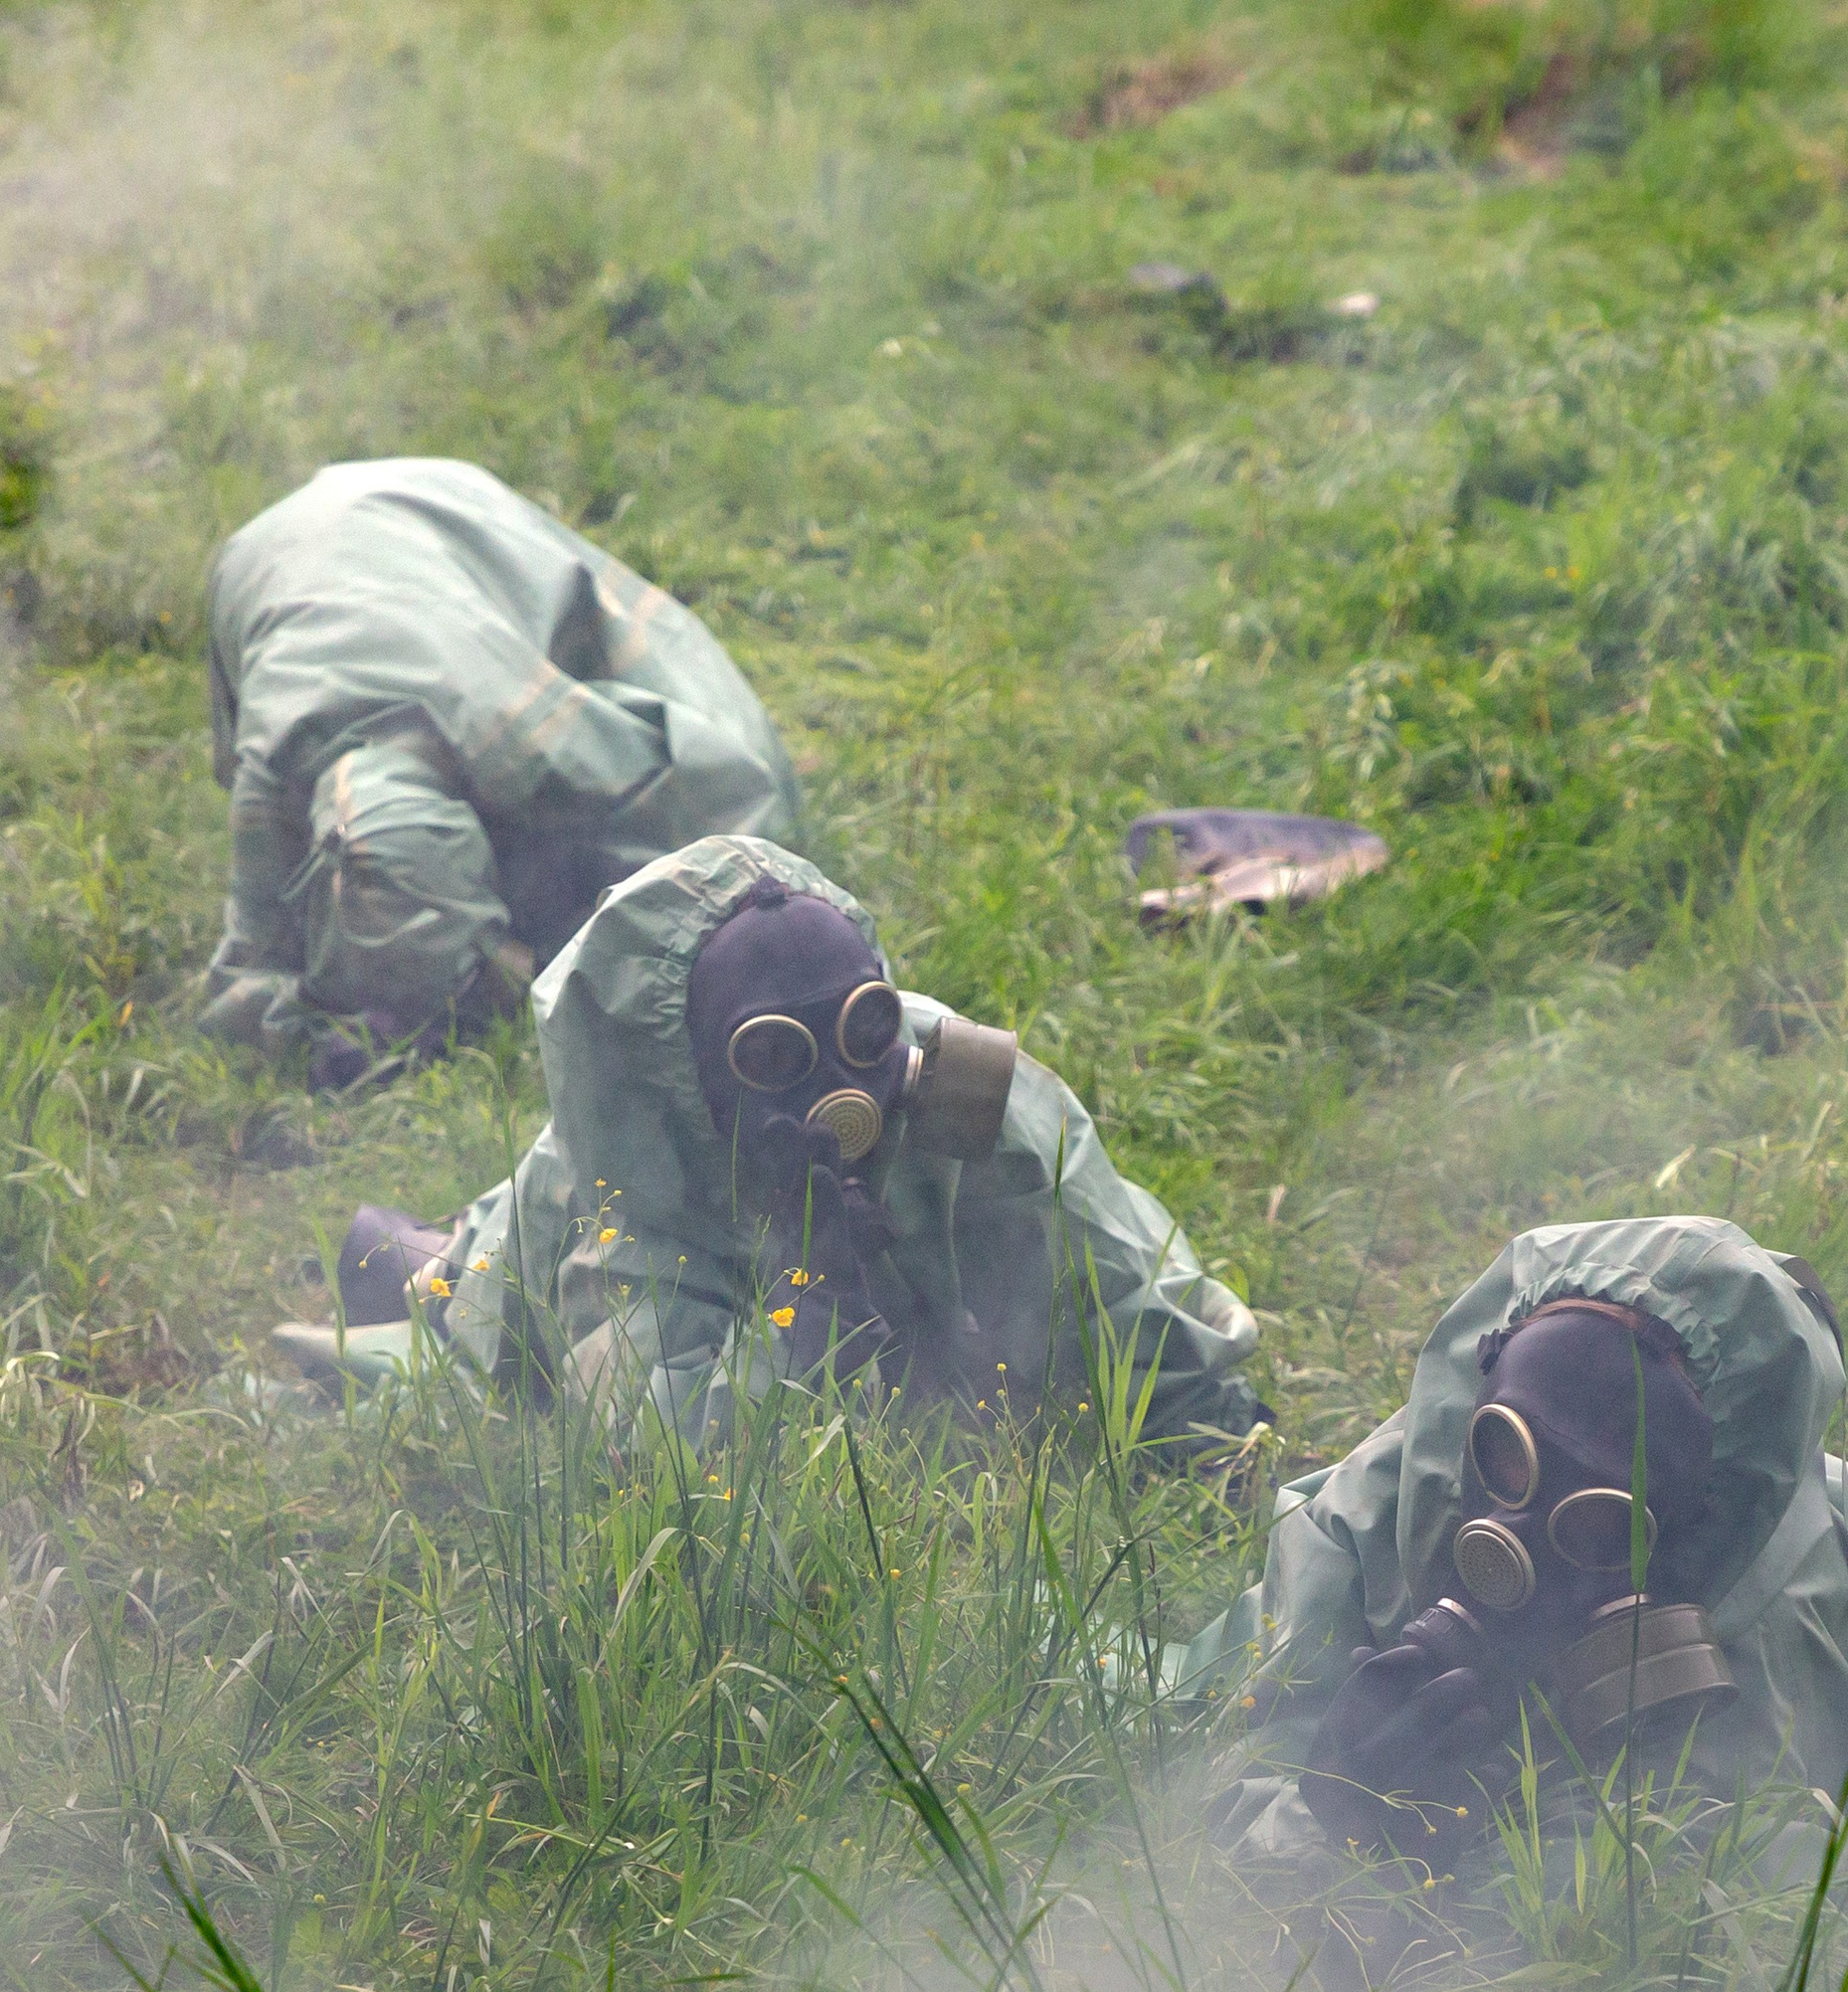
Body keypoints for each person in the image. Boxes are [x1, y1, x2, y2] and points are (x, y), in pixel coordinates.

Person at [277, 833, 1268, 1459]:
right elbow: (653, 1457)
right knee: (440, 1287)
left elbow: (1110, 1274)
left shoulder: (961, 1099)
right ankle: (413, 1248)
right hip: (525, 1246)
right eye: (772, 1056)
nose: (842, 1088)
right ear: (691, 1079)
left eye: (863, 1028)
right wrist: (813, 1297)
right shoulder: (633, 1185)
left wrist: (1214, 1435)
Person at [1176, 1216, 1848, 1864]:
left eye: (1600, 1518)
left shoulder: (1754, 1644)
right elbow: (1216, 1777)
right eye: (1510, 1455)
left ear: (1695, 1530)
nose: (1513, 1540)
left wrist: (1448, 1858)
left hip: (1839, 1584)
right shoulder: (1379, 1511)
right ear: (1475, 1405)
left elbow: (1683, 1922)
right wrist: (1330, 1801)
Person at [197, 459, 800, 1089]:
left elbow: (729, 792)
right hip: (261, 563)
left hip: (444, 510)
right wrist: (305, 1036)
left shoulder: (518, 734)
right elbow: (249, 961)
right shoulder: (270, 763)